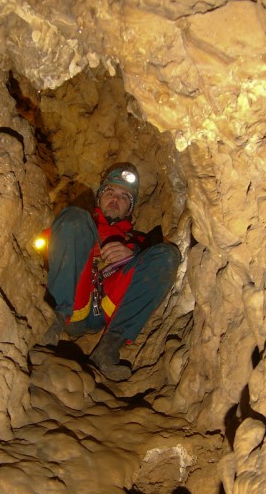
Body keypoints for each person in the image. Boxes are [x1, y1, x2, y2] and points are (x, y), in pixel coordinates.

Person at [37, 162, 180, 381]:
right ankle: (52, 323)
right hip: (74, 302)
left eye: (124, 197)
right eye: (110, 192)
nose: (115, 199)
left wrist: (133, 253)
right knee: (74, 217)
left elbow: (153, 267)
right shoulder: (78, 223)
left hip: (109, 307)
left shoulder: (139, 241)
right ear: (99, 198)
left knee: (167, 255)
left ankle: (107, 350)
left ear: (130, 208)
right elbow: (45, 246)